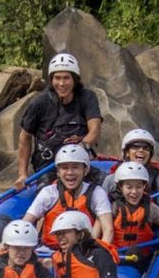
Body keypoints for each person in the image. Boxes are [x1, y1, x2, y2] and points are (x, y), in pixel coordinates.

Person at [15, 53, 102, 189]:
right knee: (47, 195)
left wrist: (82, 145)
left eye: (66, 78)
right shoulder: (39, 103)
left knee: (110, 183)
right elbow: (24, 138)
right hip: (49, 168)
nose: (61, 83)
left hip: (79, 165)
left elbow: (95, 129)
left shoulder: (87, 97)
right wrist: (23, 174)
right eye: (57, 78)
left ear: (75, 79)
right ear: (51, 79)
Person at [24, 144, 113, 249]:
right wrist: (5, 244)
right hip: (49, 252)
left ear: (85, 170)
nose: (70, 172)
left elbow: (108, 229)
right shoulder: (49, 192)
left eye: (75, 167)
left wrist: (101, 254)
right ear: (58, 172)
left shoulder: (97, 193)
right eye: (65, 168)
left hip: (83, 252)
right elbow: (26, 222)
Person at [111, 162, 159, 271]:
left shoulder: (151, 209)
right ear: (121, 187)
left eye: (139, 187)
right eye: (129, 187)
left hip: (140, 258)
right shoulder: (114, 207)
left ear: (144, 187)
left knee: (134, 251)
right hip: (117, 256)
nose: (134, 192)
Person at [49, 211, 123, 278]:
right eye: (58, 233)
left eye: (65, 232)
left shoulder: (99, 254)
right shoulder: (57, 257)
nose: (60, 237)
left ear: (81, 234)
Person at [102, 128, 159, 210]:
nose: (141, 150)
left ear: (150, 154)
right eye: (135, 147)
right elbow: (101, 208)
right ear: (127, 152)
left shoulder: (154, 176)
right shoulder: (111, 179)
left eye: (146, 148)